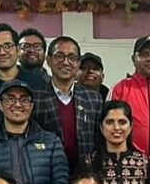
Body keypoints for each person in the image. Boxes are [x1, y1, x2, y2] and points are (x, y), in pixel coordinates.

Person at [31, 36, 104, 169]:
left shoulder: (94, 99)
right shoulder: (35, 98)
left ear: (78, 63)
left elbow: (99, 141)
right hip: (46, 171)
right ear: (49, 60)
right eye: (59, 56)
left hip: (84, 173)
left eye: (72, 58)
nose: (66, 62)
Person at [78, 100, 147, 184]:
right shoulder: (88, 162)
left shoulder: (144, 162)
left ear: (131, 126)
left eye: (122, 122)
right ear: (101, 126)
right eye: (110, 122)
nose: (116, 127)